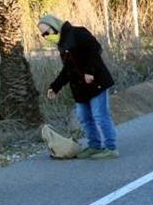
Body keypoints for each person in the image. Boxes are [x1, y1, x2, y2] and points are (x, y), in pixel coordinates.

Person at [39, 14, 118, 159]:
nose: (45, 37)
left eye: (46, 33)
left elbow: (95, 50)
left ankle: (111, 147)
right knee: (84, 117)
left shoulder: (78, 33)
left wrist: (90, 71)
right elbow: (68, 69)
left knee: (100, 115)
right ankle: (95, 146)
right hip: (80, 88)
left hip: (96, 82)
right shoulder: (62, 44)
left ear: (54, 27)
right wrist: (55, 87)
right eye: (42, 35)